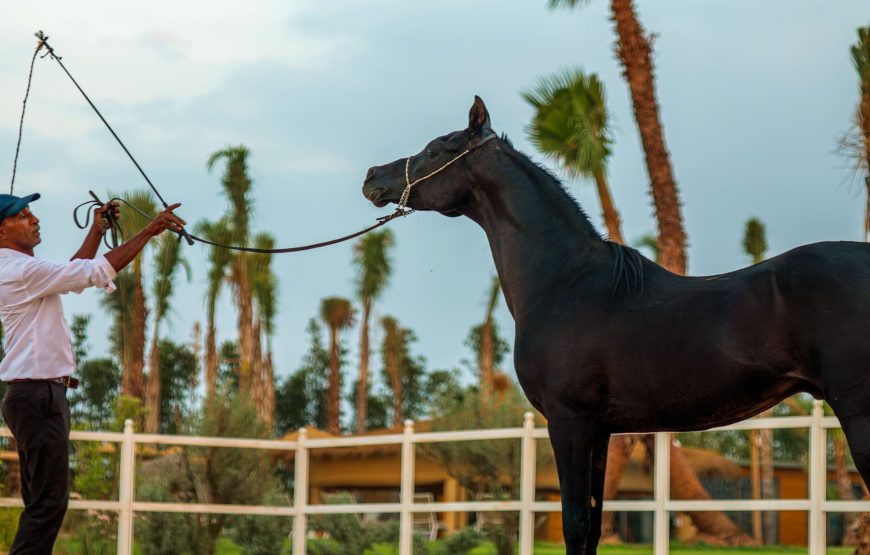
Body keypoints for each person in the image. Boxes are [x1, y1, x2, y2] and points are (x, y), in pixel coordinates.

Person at [0, 192, 185, 554]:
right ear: (1, 231)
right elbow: (93, 271)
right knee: (48, 504)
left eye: (31, 212)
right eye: (22, 216)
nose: (34, 219)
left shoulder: (21, 270)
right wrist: (149, 230)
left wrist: (97, 232)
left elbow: (74, 274)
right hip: (39, 397)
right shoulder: (19, 270)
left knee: (43, 502)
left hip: (38, 396)